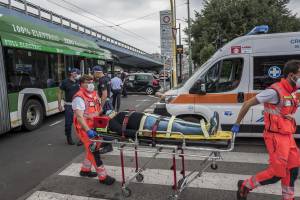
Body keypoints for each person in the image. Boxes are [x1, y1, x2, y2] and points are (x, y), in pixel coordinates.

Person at [232, 60, 300, 200]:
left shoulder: (292, 92)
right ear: (292, 75)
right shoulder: (274, 91)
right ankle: (246, 185)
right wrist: (237, 124)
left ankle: (288, 197)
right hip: (275, 138)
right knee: (276, 174)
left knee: (292, 169)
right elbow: (247, 103)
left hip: (288, 136)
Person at [72, 74, 115, 185]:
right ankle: (103, 177)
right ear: (81, 84)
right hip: (84, 128)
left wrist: (102, 113)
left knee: (92, 149)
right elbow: (80, 117)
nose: (90, 84)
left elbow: (98, 108)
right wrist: (88, 131)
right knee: (94, 151)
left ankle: (84, 170)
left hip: (94, 125)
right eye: (87, 82)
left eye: (91, 82)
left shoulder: (94, 94)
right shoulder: (79, 97)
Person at [93, 65, 114, 154]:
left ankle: (109, 146)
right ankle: (106, 143)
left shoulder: (102, 80)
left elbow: (104, 94)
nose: (93, 75)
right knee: (106, 124)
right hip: (109, 102)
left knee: (105, 125)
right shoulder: (107, 78)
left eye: (94, 73)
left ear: (98, 72)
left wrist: (100, 106)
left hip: (105, 103)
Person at [58, 68, 80, 145]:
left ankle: (81, 138)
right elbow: (60, 93)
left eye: (78, 74)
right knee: (68, 123)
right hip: (68, 105)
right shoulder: (65, 82)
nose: (77, 75)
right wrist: (59, 104)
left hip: (78, 105)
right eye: (76, 74)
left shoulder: (79, 81)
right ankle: (68, 137)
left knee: (80, 122)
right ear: (72, 74)